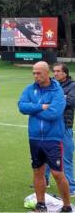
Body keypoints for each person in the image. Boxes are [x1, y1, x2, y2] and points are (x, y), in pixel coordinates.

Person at [18, 61, 72, 212]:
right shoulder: (30, 89)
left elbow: (54, 113)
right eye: (34, 73)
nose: (35, 76)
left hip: (52, 138)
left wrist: (32, 109)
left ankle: (67, 206)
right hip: (34, 137)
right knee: (38, 171)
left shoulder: (57, 91)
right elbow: (22, 106)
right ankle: (40, 204)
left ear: (47, 73)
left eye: (39, 73)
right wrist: (41, 106)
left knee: (57, 173)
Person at [45, 63, 75, 196]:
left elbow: (70, 102)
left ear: (65, 73)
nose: (55, 74)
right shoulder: (52, 85)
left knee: (66, 157)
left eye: (58, 71)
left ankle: (71, 187)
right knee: (45, 153)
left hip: (64, 125)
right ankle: (44, 180)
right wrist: (59, 99)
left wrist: (56, 100)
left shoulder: (73, 86)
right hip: (49, 123)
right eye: (54, 71)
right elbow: (43, 100)